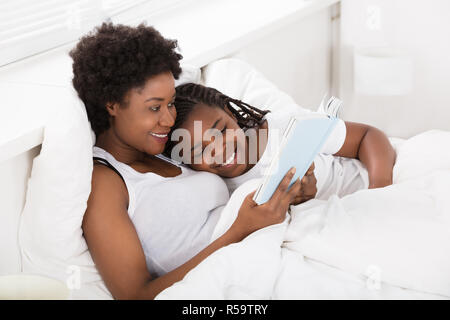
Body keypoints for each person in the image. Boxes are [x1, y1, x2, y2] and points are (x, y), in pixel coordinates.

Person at [69, 22, 313, 299]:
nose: (169, 119)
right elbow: (136, 295)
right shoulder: (106, 184)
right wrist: (240, 230)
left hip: (276, 241)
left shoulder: (164, 146)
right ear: (112, 104)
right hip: (237, 276)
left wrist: (288, 194)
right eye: (154, 107)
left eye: (171, 103)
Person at [164, 83, 397, 200]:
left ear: (230, 113)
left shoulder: (285, 128)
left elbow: (368, 136)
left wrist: (380, 189)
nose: (219, 150)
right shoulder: (215, 188)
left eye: (221, 131)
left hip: (365, 186)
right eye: (197, 151)